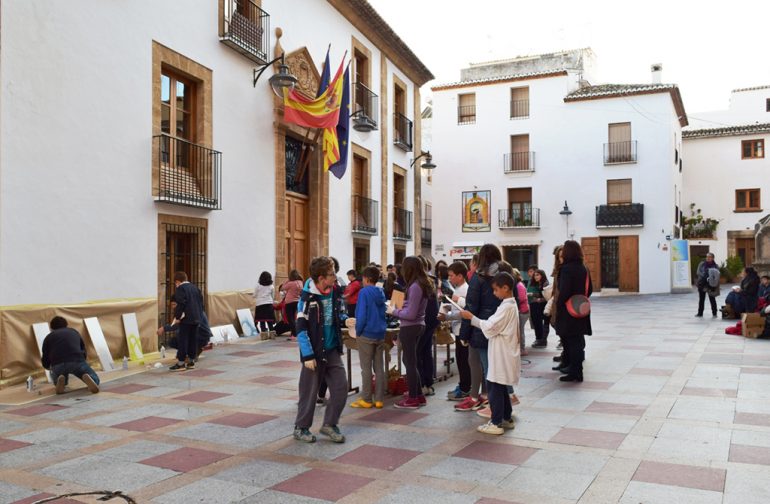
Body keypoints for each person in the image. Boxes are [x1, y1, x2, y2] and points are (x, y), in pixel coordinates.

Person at [293, 256, 348, 443]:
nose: (335, 277)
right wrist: (307, 354)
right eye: (332, 274)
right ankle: (301, 428)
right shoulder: (307, 297)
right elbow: (300, 328)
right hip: (314, 353)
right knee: (309, 393)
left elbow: (336, 314)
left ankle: (329, 424)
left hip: (331, 350)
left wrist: (345, 320)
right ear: (321, 278)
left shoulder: (334, 291)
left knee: (341, 387)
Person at [461, 272, 520, 435]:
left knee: (494, 387)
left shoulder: (507, 307)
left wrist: (471, 317)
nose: (494, 293)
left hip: (502, 354)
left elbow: (491, 326)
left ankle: (496, 423)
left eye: (495, 290)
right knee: (500, 386)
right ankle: (506, 418)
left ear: (506, 288)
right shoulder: (508, 305)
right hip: (502, 352)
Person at [456, 244, 503, 412]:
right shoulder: (504, 274)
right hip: (498, 325)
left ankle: (479, 399)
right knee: (490, 364)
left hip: (480, 326)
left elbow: (471, 306)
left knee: (476, 362)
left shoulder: (479, 277)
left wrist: (464, 333)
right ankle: (484, 396)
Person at [387, 256, 433, 409]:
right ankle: (418, 395)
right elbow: (413, 305)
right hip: (419, 325)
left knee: (410, 363)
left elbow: (411, 314)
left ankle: (413, 398)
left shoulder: (414, 286)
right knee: (410, 362)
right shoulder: (421, 283)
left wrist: (394, 311)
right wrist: (402, 304)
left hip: (410, 327)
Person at [555, 241, 592, 382]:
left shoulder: (566, 269)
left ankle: (575, 372)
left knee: (571, 342)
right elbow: (590, 289)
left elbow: (564, 291)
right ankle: (576, 371)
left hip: (568, 311)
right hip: (581, 308)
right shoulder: (584, 268)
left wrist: (559, 305)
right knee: (577, 340)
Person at [350, 266, 387, 409]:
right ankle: (379, 399)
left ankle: (366, 398)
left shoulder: (364, 292)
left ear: (367, 278)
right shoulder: (381, 292)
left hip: (367, 333)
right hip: (380, 333)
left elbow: (361, 314)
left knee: (366, 368)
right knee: (379, 367)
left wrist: (358, 331)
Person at [42, 316, 100, 394]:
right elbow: (83, 348)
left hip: (58, 364)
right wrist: (83, 361)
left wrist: (48, 366)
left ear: (51, 328)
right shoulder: (73, 332)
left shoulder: (48, 337)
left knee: (59, 375)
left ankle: (61, 381)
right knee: (92, 376)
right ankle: (90, 378)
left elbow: (45, 356)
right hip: (76, 361)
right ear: (66, 325)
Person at [441, 261, 471, 401]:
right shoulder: (458, 289)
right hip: (458, 329)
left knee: (463, 361)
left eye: (452, 276)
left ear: (460, 276)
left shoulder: (464, 290)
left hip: (462, 330)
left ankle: (465, 388)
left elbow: (464, 312)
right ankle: (464, 385)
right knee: (461, 360)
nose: (450, 278)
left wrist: (446, 316)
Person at [158, 294, 213, 361]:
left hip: (201, 337)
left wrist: (163, 328)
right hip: (201, 336)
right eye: (172, 305)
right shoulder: (190, 308)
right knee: (173, 341)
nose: (173, 307)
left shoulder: (188, 310)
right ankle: (193, 351)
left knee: (181, 333)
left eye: (174, 304)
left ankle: (192, 354)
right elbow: (175, 323)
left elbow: (177, 325)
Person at [170, 271, 205, 371]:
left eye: (175, 283)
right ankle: (191, 361)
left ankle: (181, 363)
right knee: (193, 339)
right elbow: (201, 303)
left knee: (183, 340)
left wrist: (177, 317)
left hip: (186, 319)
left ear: (177, 281)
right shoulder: (195, 287)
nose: (176, 285)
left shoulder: (181, 288)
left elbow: (181, 304)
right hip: (197, 318)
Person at [417, 255, 439, 396]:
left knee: (417, 353)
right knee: (426, 352)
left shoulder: (419, 283)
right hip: (431, 320)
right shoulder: (432, 281)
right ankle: (428, 383)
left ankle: (421, 384)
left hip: (422, 321)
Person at [278, 270, 303, 339]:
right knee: (295, 318)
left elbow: (282, 288)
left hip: (289, 303)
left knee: (290, 319)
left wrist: (287, 280)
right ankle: (295, 333)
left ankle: (294, 334)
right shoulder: (300, 282)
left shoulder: (290, 283)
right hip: (297, 301)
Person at [528, 269, 549, 348]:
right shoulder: (539, 283)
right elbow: (540, 294)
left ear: (542, 275)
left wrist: (540, 299)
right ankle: (541, 340)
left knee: (547, 323)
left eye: (538, 275)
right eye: (535, 275)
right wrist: (532, 294)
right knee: (538, 321)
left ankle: (543, 340)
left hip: (546, 305)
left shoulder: (545, 283)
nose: (536, 277)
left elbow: (548, 296)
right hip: (539, 305)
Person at [511, 269, 530, 356]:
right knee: (520, 330)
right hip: (523, 310)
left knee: (520, 331)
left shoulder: (519, 285)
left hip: (522, 311)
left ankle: (522, 349)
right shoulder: (519, 284)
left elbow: (521, 298)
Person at [695, 253, 720, 318]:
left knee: (712, 299)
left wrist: (710, 277)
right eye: (707, 257)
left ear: (712, 258)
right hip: (702, 283)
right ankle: (700, 313)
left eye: (709, 257)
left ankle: (714, 313)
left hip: (711, 284)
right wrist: (705, 276)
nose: (708, 258)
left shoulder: (716, 266)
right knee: (701, 299)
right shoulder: (702, 264)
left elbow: (717, 275)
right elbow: (698, 272)